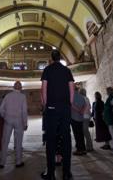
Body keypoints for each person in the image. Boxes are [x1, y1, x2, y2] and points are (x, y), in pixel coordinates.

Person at [40, 50, 75, 180]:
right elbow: (72, 88)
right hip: (65, 108)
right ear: (60, 58)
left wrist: (45, 105)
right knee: (66, 139)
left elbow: (44, 88)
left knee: (51, 140)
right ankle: (66, 173)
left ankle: (51, 174)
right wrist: (69, 105)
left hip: (51, 108)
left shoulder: (47, 70)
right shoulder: (67, 71)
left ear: (51, 58)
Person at [0, 81, 28, 168]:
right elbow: (24, 111)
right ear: (21, 88)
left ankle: (2, 163)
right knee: (18, 142)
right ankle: (18, 162)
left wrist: (5, 117)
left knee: (5, 141)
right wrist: (25, 123)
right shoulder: (22, 96)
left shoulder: (8, 96)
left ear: (13, 87)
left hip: (8, 120)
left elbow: (1, 109)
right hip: (19, 121)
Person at [71, 86, 86, 156]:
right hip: (80, 117)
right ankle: (83, 149)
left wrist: (78, 110)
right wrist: (81, 111)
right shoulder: (81, 96)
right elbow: (85, 105)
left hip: (74, 117)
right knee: (81, 134)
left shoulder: (71, 96)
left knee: (77, 135)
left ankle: (79, 150)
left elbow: (71, 105)